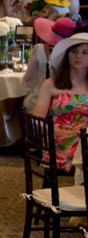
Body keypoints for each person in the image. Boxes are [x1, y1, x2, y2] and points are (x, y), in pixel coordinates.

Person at [33, 32, 88, 172]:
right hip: (59, 140)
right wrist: (54, 131)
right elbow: (37, 120)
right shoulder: (50, 84)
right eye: (74, 51)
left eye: (85, 52)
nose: (78, 56)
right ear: (67, 55)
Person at [24, 17, 76, 112]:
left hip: (35, 102)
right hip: (62, 106)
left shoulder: (38, 49)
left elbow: (28, 78)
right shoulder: (72, 55)